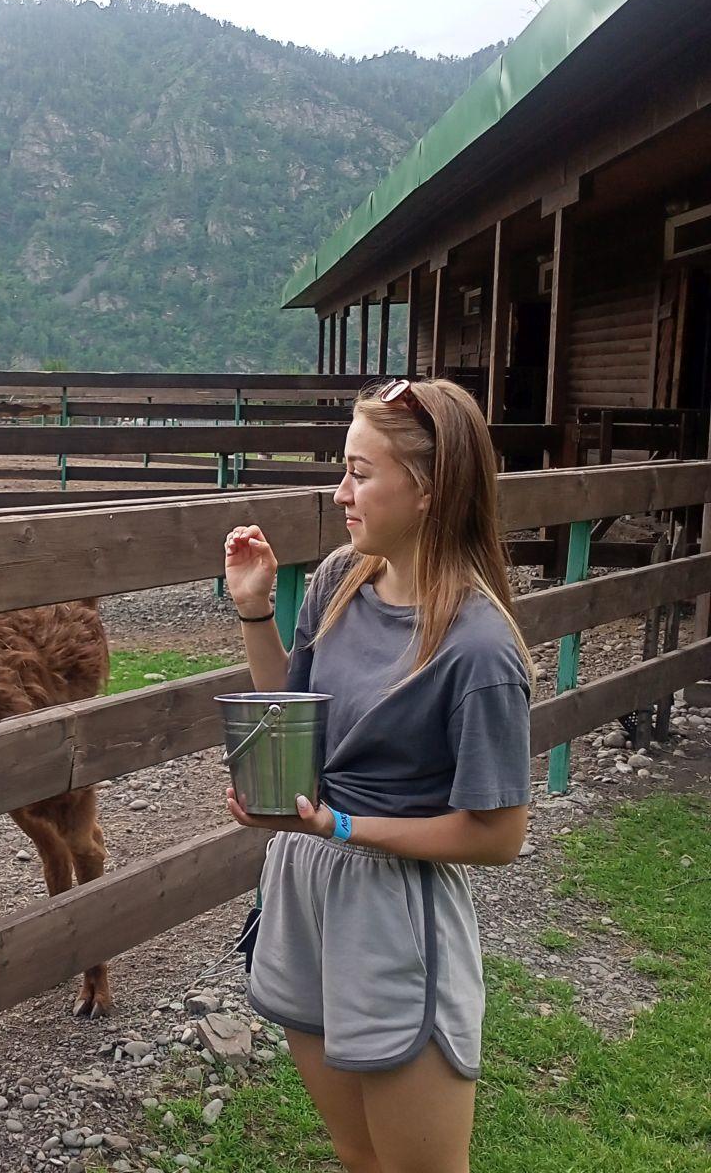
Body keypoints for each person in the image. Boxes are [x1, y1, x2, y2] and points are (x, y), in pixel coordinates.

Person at [222, 377, 533, 1173]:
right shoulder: (338, 579)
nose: (341, 492)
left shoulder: (478, 649)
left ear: (427, 490)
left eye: (360, 473)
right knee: (358, 1155)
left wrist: (346, 827)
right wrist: (255, 610)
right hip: (303, 890)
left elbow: (498, 837)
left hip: (393, 915)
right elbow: (290, 717)